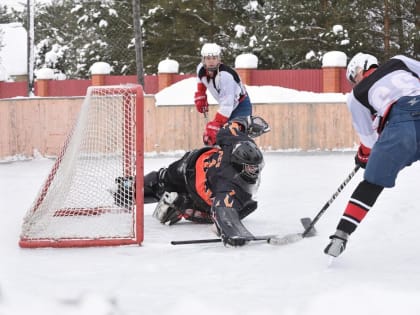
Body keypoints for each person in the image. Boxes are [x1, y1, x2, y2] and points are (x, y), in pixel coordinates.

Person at [113, 116, 270, 246]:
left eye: (256, 167)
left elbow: (231, 126)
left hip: (192, 162)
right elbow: (223, 211)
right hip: (193, 182)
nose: (255, 171)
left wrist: (250, 122)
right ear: (238, 164)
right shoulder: (227, 184)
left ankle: (130, 190)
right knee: (163, 186)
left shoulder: (235, 140)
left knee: (162, 179)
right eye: (250, 168)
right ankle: (128, 194)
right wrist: (234, 234)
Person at [324, 53, 420, 257]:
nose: (355, 83)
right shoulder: (399, 60)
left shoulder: (356, 95)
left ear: (358, 70)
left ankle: (341, 235)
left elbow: (369, 140)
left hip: (400, 126)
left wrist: (365, 157)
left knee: (372, 183)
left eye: (353, 78)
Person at [194, 43, 253, 146]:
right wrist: (201, 95)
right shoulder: (200, 69)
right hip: (227, 106)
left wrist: (216, 123)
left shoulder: (225, 76)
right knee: (221, 139)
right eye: (208, 58)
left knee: (235, 138)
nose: (211, 61)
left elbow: (227, 105)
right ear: (203, 60)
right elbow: (201, 80)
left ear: (219, 59)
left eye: (214, 58)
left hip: (240, 106)